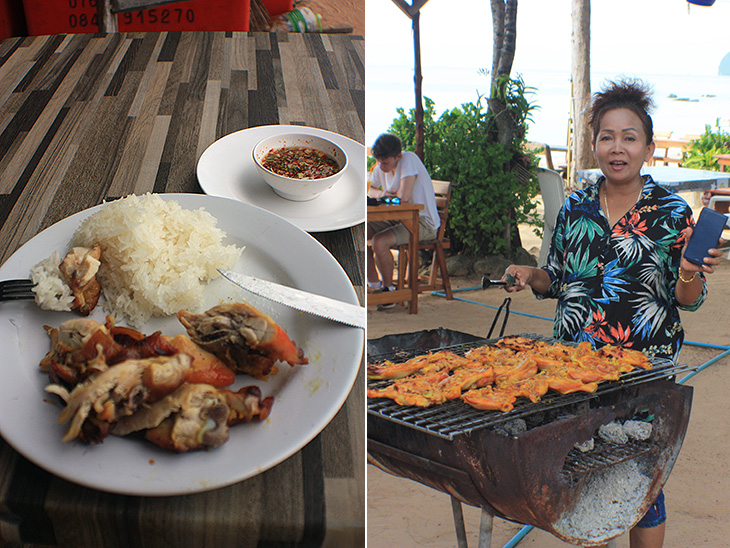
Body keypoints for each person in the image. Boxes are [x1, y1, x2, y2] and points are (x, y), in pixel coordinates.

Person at [502, 79, 725, 548]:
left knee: (642, 477)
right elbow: (558, 279)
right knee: (580, 471)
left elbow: (689, 300)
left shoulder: (671, 212)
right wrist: (530, 273)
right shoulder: (576, 206)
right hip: (573, 367)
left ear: (647, 147)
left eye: (629, 137)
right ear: (594, 144)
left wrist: (688, 271)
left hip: (641, 368)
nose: (617, 147)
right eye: (607, 136)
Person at [367, 133, 441, 309]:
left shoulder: (409, 159)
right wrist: (383, 194)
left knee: (379, 242)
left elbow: (404, 197)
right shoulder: (380, 167)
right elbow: (372, 192)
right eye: (378, 162)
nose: (381, 166)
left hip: (423, 222)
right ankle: (374, 286)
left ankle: (389, 291)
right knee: (361, 231)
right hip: (397, 218)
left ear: (398, 156)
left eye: (385, 162)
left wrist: (384, 195)